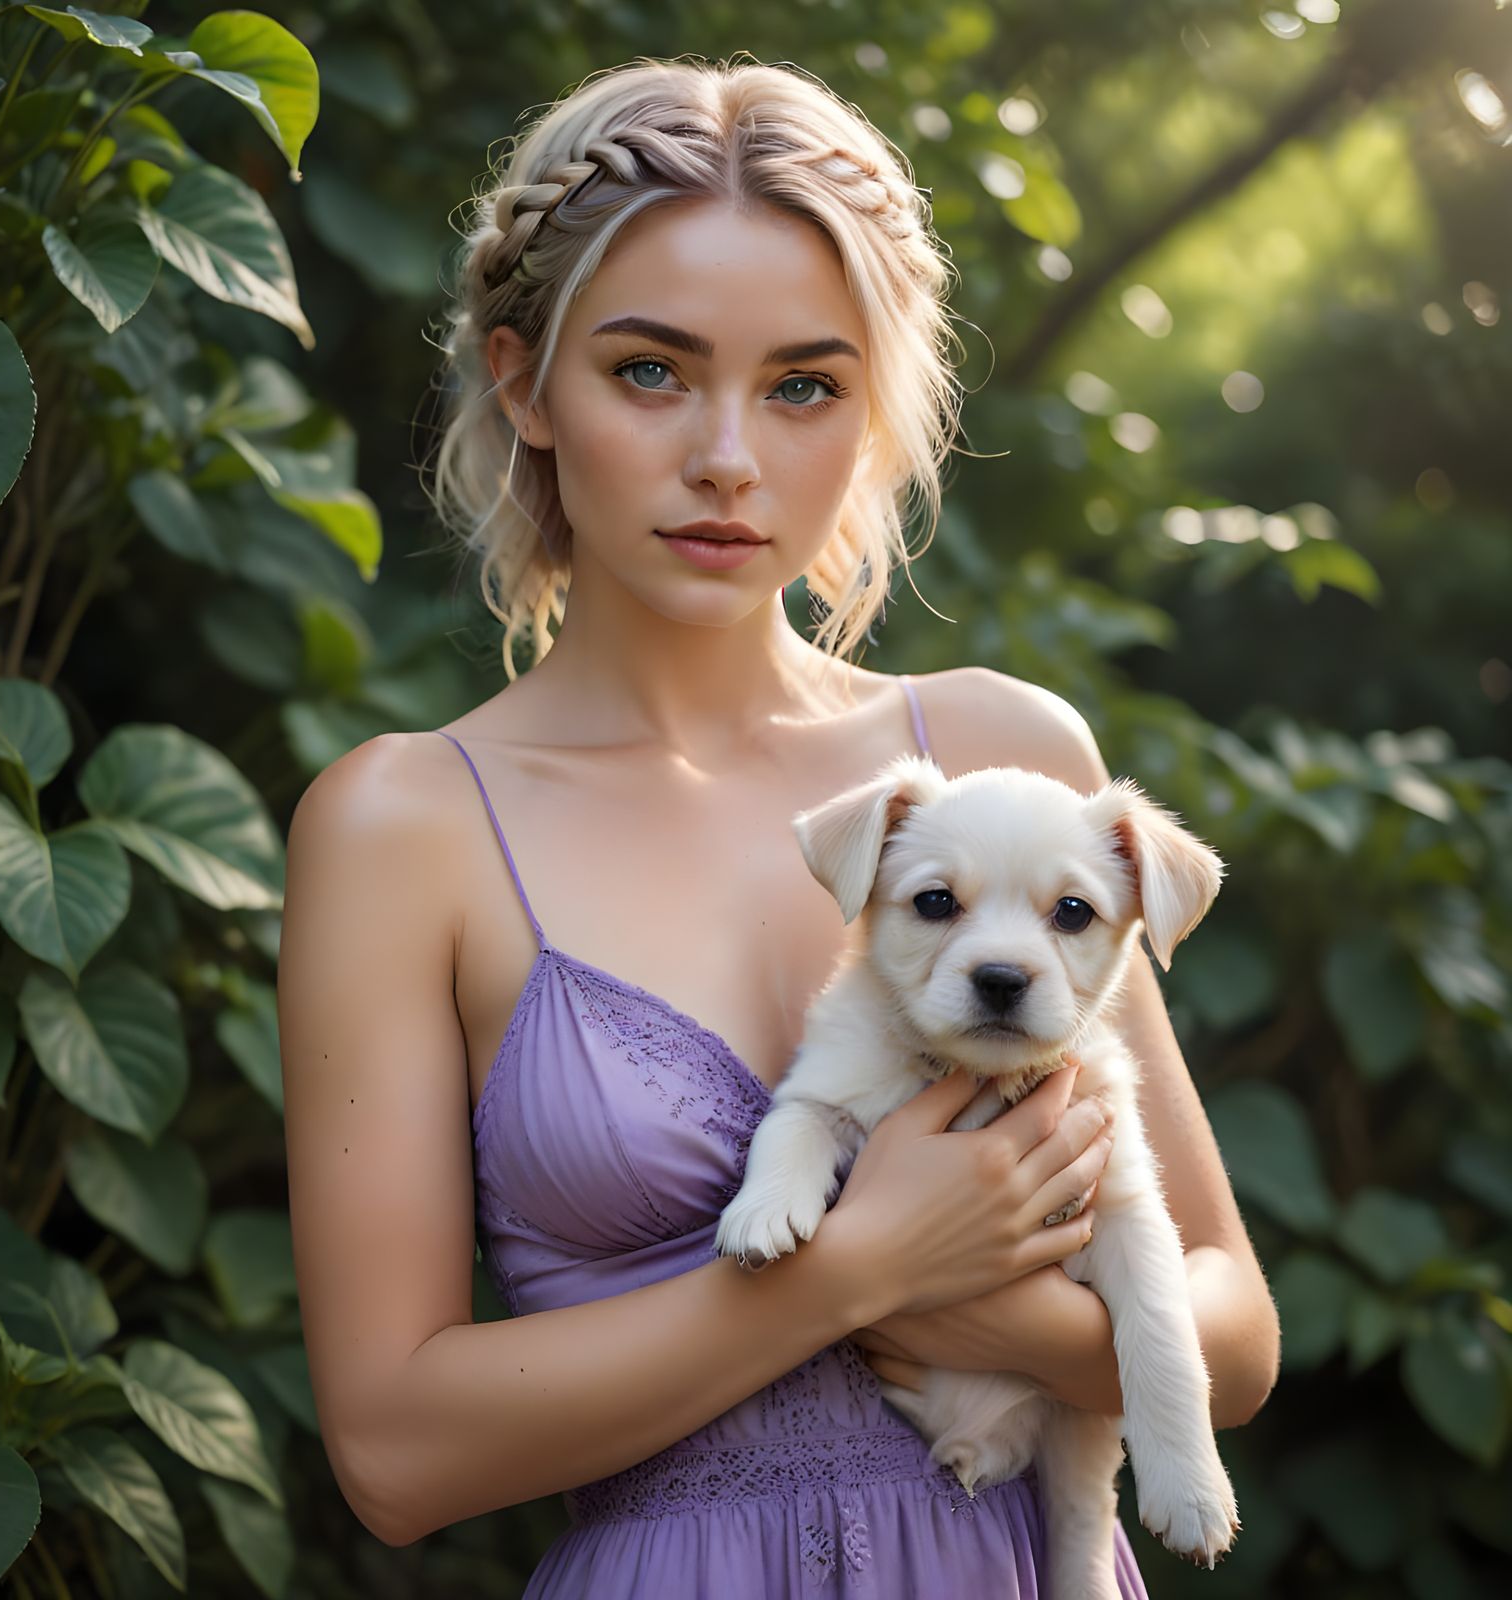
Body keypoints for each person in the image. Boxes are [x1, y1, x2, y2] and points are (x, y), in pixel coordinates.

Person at [276, 54, 1279, 1596]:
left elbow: (1232, 1328)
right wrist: (859, 1270)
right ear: (525, 383)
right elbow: (396, 1455)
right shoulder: (405, 827)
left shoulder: (1002, 757)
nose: (729, 457)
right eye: (652, 371)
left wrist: (987, 1314)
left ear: (868, 415)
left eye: (803, 386)